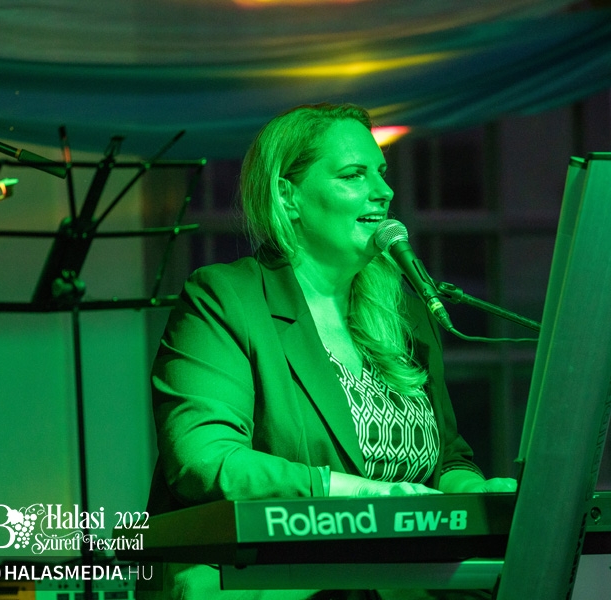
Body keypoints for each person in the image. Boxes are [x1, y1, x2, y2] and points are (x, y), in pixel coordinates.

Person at [141, 103, 516, 599]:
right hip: (267, 585)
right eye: (353, 175)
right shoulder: (226, 298)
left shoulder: (404, 314)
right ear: (287, 195)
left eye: (381, 173)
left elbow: (446, 458)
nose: (383, 191)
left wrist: (472, 492)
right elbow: (207, 461)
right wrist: (362, 494)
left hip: (407, 585)